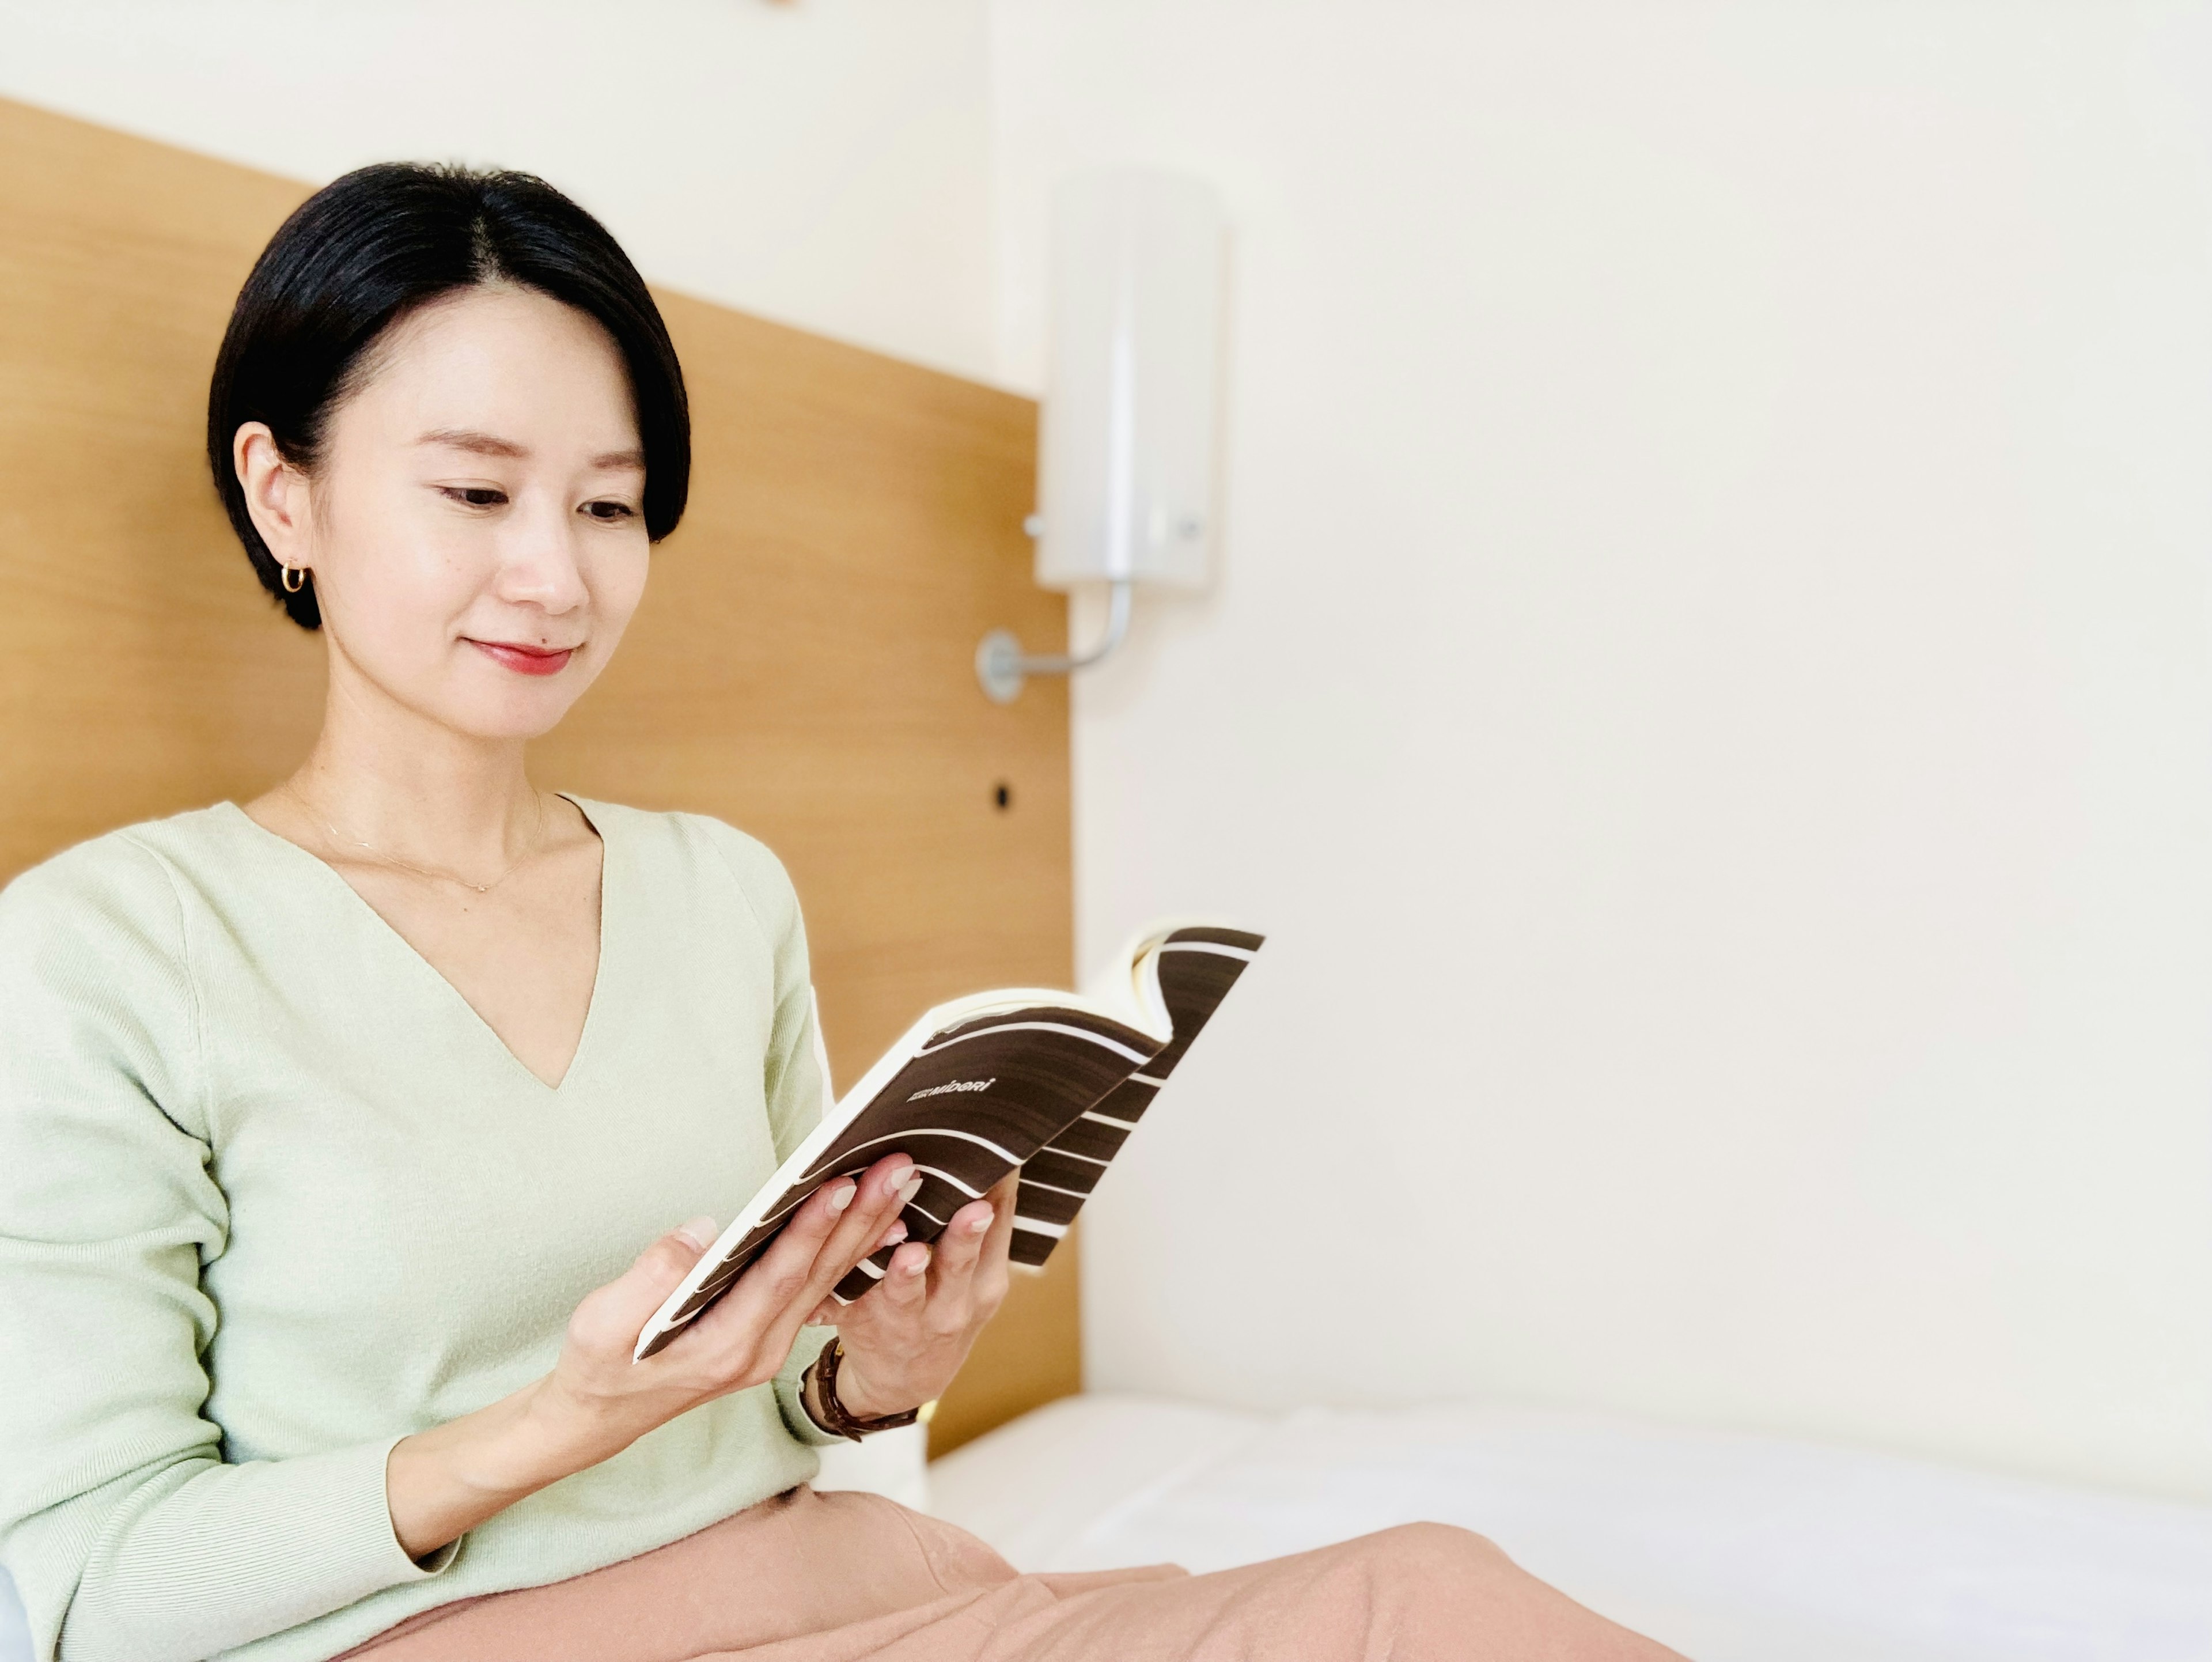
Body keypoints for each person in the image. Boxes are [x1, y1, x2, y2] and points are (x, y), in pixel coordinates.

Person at [0, 164, 1680, 1662]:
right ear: (283, 492)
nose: (557, 575)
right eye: (475, 492)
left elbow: (783, 1382)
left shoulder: (721, 892)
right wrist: (553, 1426)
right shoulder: (110, 953)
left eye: (606, 502)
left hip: (824, 1586)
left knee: (1429, 1596)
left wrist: (872, 1377)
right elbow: (89, 1593)